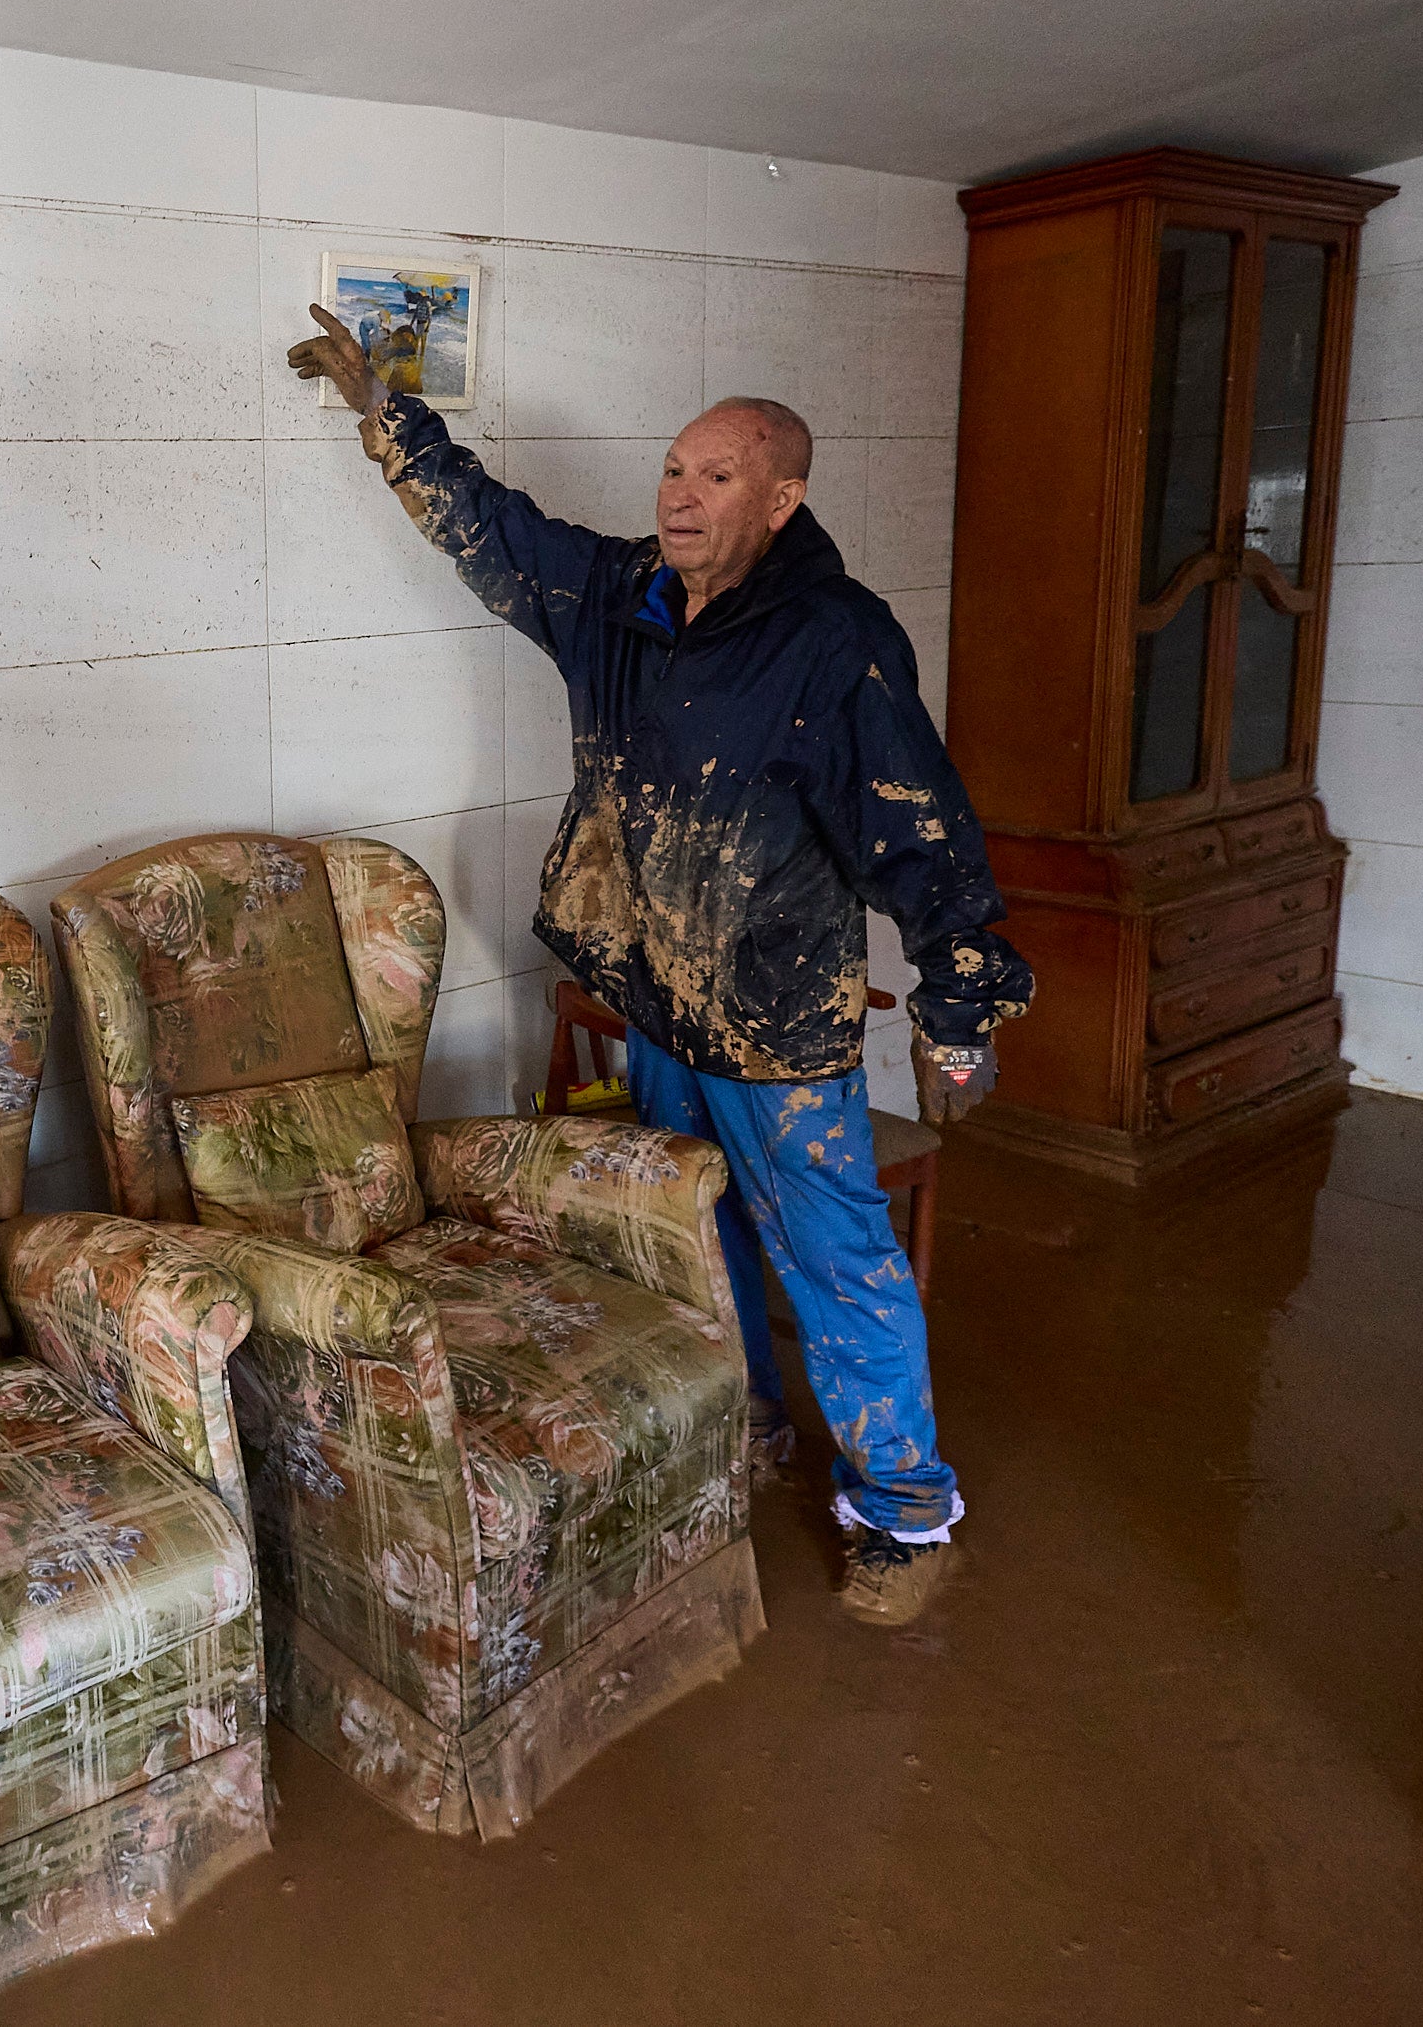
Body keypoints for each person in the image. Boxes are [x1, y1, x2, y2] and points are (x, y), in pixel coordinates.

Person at [285, 305, 1031, 1626]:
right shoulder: (622, 599)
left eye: (718, 476)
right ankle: (745, 1418)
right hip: (662, 999)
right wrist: (385, 418)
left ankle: (908, 1510)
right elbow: (495, 530)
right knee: (696, 1224)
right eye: (675, 471)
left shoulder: (836, 641)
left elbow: (924, 829)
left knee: (839, 1255)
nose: (681, 498)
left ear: (784, 497)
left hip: (778, 1018)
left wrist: (959, 999)